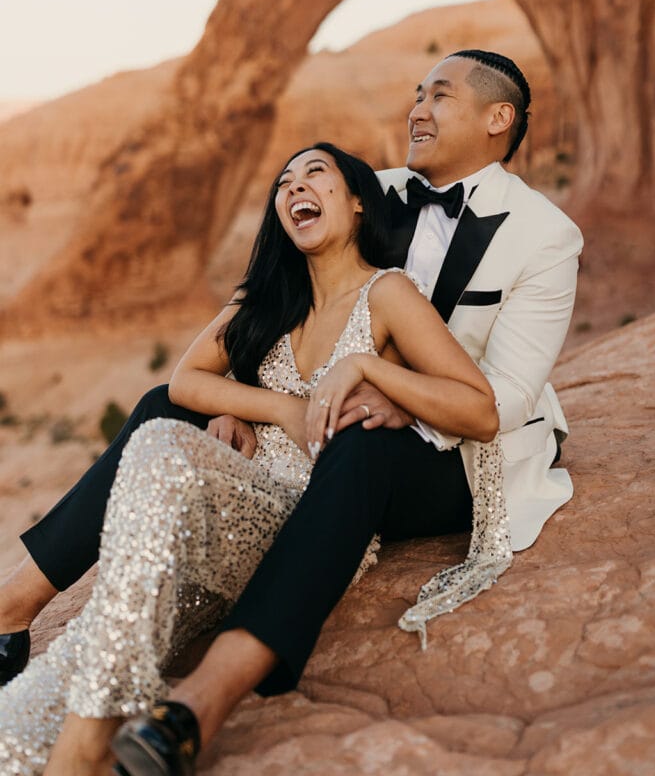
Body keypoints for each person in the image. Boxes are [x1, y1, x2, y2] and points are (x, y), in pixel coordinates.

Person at [0, 48, 583, 775]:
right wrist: (259, 403)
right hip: (323, 419)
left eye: (438, 95)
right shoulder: (370, 190)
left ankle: (199, 705)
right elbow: (296, 310)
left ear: (498, 119)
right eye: (414, 94)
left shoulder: (544, 234)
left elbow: (503, 400)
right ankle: (14, 609)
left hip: (455, 451)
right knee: (163, 409)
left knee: (357, 443)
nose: (417, 110)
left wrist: (388, 391)